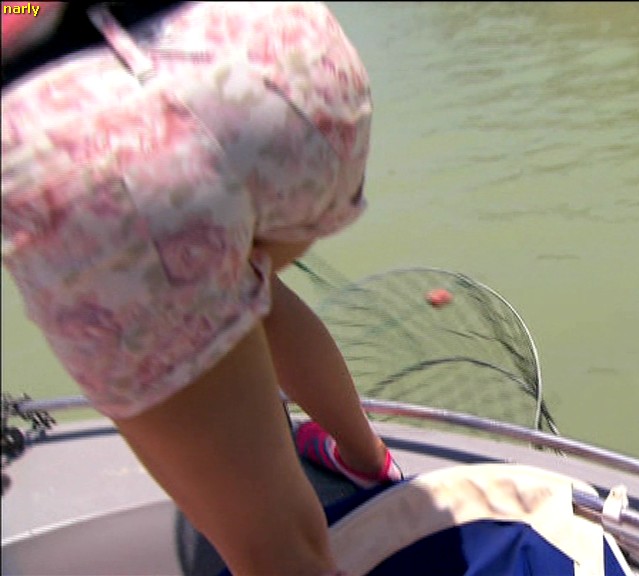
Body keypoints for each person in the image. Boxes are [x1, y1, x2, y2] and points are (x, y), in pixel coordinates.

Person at [2, 2, 401, 574]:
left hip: (92, 138)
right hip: (277, 55)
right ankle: (366, 459)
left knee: (280, 555)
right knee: (233, 274)